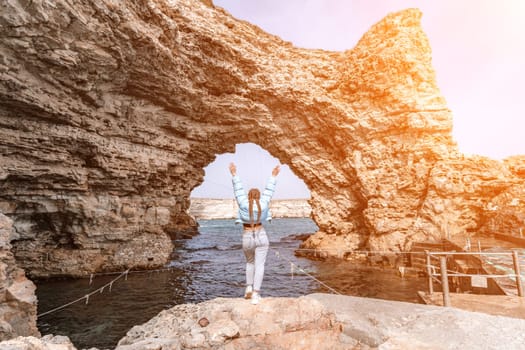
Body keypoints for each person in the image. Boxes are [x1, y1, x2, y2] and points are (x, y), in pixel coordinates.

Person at [229, 162, 280, 305]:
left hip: (247, 235)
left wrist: (234, 174)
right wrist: (274, 176)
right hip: (261, 234)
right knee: (260, 265)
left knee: (250, 263)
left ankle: (248, 289)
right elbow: (269, 191)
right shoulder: (263, 203)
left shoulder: (243, 203)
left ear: (249, 196)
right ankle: (256, 295)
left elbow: (237, 190)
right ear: (258, 196)